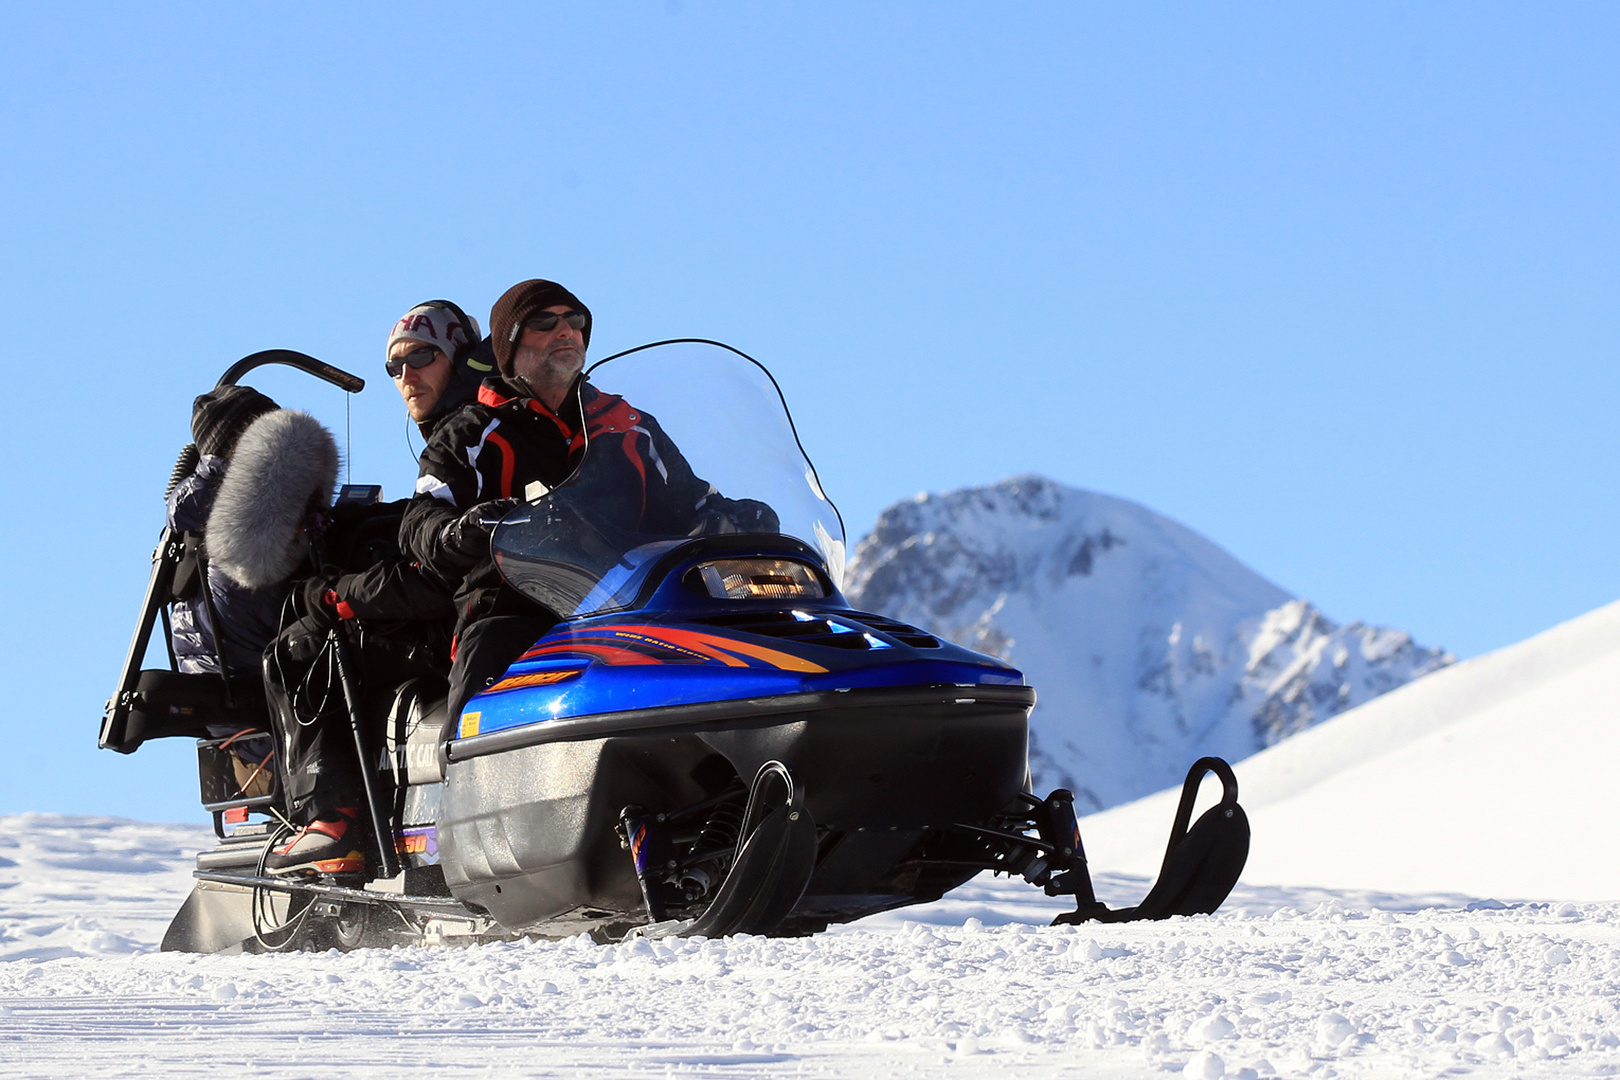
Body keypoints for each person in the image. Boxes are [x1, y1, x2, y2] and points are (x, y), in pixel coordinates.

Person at [401, 279, 757, 728]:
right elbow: (421, 520)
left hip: (636, 611)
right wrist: (465, 527)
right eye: (544, 323)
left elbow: (693, 498)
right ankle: (471, 772)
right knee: (489, 646)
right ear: (509, 347)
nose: (565, 331)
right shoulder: (471, 433)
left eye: (575, 321)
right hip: (516, 611)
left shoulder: (629, 426)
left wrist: (735, 518)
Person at [261, 300, 488, 877]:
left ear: (460, 357)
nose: (406, 376)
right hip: (489, 614)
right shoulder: (489, 423)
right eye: (395, 366)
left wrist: (340, 593)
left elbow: (437, 572)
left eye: (422, 357)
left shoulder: (468, 435)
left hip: (466, 625)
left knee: (299, 648)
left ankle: (332, 821)